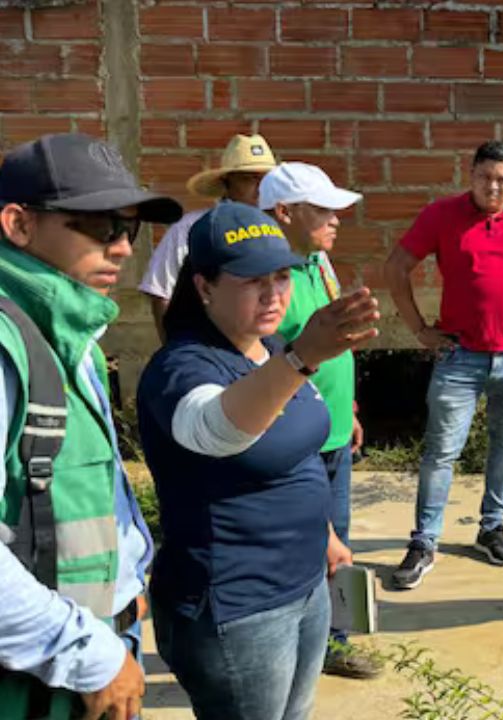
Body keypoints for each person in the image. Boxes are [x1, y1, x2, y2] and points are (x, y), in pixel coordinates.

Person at [135, 202, 379, 720]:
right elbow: (217, 429)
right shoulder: (181, 366)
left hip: (305, 585)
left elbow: (299, 453)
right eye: (252, 281)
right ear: (204, 287)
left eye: (281, 277)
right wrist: (301, 358)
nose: (274, 294)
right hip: (238, 606)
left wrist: (326, 535)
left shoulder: (269, 347)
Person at [0, 133, 182, 719]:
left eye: (130, 228)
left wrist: (125, 587)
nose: (124, 248)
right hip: (38, 678)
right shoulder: (7, 345)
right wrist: (86, 652)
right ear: (19, 225)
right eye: (102, 226)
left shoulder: (68, 333)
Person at [383, 140, 503, 589]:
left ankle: (492, 528)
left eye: (502, 179)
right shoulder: (442, 215)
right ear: (471, 176)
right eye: (485, 177)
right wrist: (419, 329)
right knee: (441, 451)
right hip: (459, 354)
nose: (493, 187)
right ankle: (424, 542)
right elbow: (396, 267)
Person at [258, 162, 381, 680]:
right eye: (323, 210)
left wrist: (347, 408)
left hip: (331, 430)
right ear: (284, 213)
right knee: (298, 542)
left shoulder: (318, 262)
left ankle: (332, 641)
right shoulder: (266, 279)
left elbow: (332, 342)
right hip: (294, 436)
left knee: (337, 541)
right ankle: (292, 644)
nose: (336, 220)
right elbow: (265, 359)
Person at [139, 133, 277, 341]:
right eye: (249, 178)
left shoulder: (284, 229)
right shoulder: (191, 228)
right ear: (227, 182)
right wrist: (174, 349)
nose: (260, 188)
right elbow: (161, 292)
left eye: (266, 179)